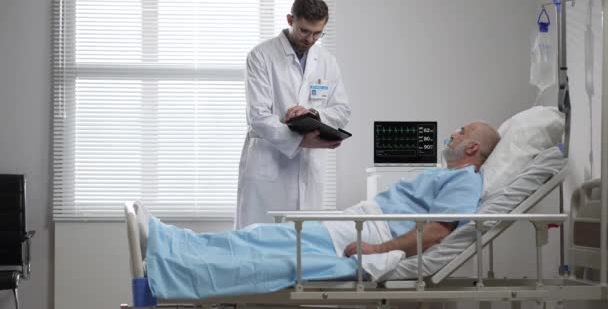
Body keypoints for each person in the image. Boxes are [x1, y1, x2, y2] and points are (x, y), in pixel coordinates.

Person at [136, 121, 500, 299]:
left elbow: (438, 231)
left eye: (461, 131)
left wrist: (375, 250)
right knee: (261, 239)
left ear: (472, 148)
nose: (452, 133)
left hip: (368, 233)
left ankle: (169, 250)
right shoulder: (445, 174)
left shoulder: (466, 179)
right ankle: (169, 245)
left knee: (265, 248)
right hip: (360, 223)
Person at [236, 0, 351, 229]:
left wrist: (313, 114)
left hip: (309, 170)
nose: (310, 39)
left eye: (318, 33)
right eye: (304, 31)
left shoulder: (327, 61)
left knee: (302, 248)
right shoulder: (261, 56)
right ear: (290, 19)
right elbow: (258, 116)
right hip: (268, 165)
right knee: (260, 242)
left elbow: (341, 109)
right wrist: (301, 140)